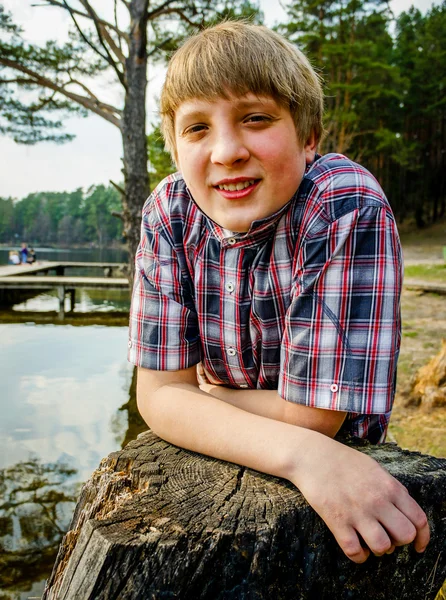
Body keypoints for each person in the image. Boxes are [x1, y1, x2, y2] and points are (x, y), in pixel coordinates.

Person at [128, 22, 429, 563]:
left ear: (307, 136)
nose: (226, 151)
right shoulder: (168, 211)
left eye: (256, 118)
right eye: (197, 128)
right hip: (231, 473)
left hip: (347, 464)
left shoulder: (344, 205)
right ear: (174, 148)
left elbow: (317, 419)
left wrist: (205, 398)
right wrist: (294, 448)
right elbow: (155, 396)